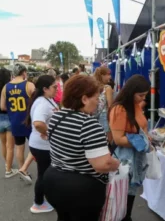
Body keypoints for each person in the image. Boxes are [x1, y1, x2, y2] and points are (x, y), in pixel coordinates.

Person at [43, 75, 120, 221]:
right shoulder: (89, 124)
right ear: (84, 99)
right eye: (96, 98)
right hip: (81, 189)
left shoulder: (56, 117)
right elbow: (102, 164)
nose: (98, 103)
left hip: (53, 181)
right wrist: (117, 164)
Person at [109, 74, 151, 221]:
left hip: (135, 158)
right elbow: (118, 139)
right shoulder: (119, 109)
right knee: (121, 199)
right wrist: (142, 141)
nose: (142, 99)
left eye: (144, 96)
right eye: (140, 95)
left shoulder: (135, 105)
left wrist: (145, 137)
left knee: (129, 197)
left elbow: (141, 127)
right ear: (131, 92)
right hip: (124, 160)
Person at [24, 75, 58, 214]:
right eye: (54, 87)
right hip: (42, 146)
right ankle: (38, 203)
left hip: (43, 145)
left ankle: (45, 198)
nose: (57, 89)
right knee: (43, 175)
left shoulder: (47, 99)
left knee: (46, 174)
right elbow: (38, 123)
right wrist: (49, 133)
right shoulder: (42, 103)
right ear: (45, 89)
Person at [0, 63, 34, 184]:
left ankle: (22, 169)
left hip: (14, 121)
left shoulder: (6, 87)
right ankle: (33, 169)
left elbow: (2, 106)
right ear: (24, 72)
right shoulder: (29, 85)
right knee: (35, 146)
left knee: (19, 147)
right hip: (29, 121)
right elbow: (37, 103)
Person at [0, 68, 18, 177]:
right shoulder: (10, 88)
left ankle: (7, 164)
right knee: (10, 146)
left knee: (3, 144)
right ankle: (8, 170)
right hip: (10, 117)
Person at [94, 67, 114, 142]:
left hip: (94, 116)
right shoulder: (107, 88)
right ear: (102, 75)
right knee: (108, 140)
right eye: (108, 74)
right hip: (104, 116)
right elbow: (110, 106)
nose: (110, 77)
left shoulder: (94, 86)